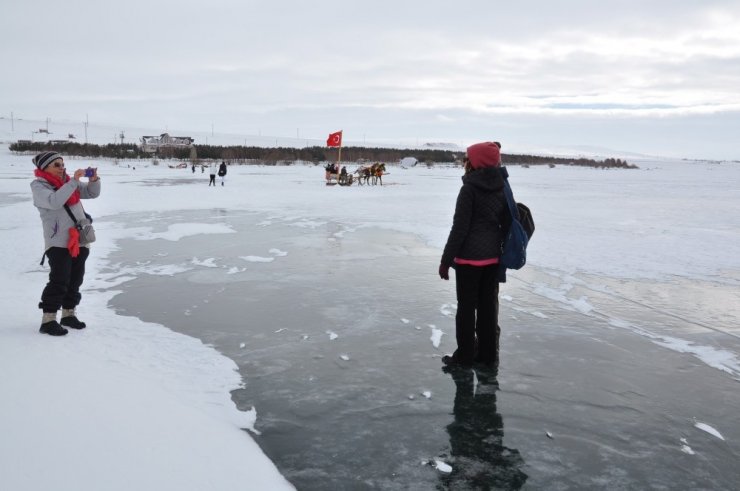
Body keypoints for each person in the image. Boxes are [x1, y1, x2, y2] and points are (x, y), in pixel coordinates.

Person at [439, 142, 511, 367]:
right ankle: (488, 356)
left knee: (467, 310)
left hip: (469, 261)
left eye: (467, 158)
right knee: (488, 309)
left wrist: (445, 260)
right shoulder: (503, 186)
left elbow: (459, 228)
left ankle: (465, 356)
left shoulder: (469, 189)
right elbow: (508, 220)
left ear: (474, 162)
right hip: (492, 259)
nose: (465, 161)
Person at [31, 151, 101, 336]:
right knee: (59, 280)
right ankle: (48, 319)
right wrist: (73, 181)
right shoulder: (39, 187)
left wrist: (94, 180)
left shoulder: (68, 183)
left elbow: (92, 193)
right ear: (44, 168)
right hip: (58, 242)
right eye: (57, 165)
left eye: (62, 164)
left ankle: (68, 314)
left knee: (75, 279)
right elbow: (54, 202)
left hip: (79, 240)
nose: (62, 168)